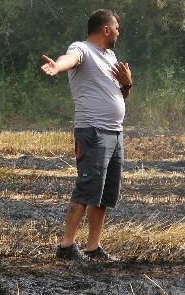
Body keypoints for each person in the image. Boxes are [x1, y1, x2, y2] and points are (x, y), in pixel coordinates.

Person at [40, 9, 132, 261]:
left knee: (103, 193)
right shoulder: (82, 49)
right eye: (116, 27)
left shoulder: (110, 56)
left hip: (115, 132)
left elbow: (120, 96)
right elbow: (69, 58)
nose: (118, 32)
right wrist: (57, 66)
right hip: (93, 131)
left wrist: (127, 84)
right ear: (105, 29)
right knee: (87, 187)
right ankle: (66, 246)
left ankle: (93, 247)